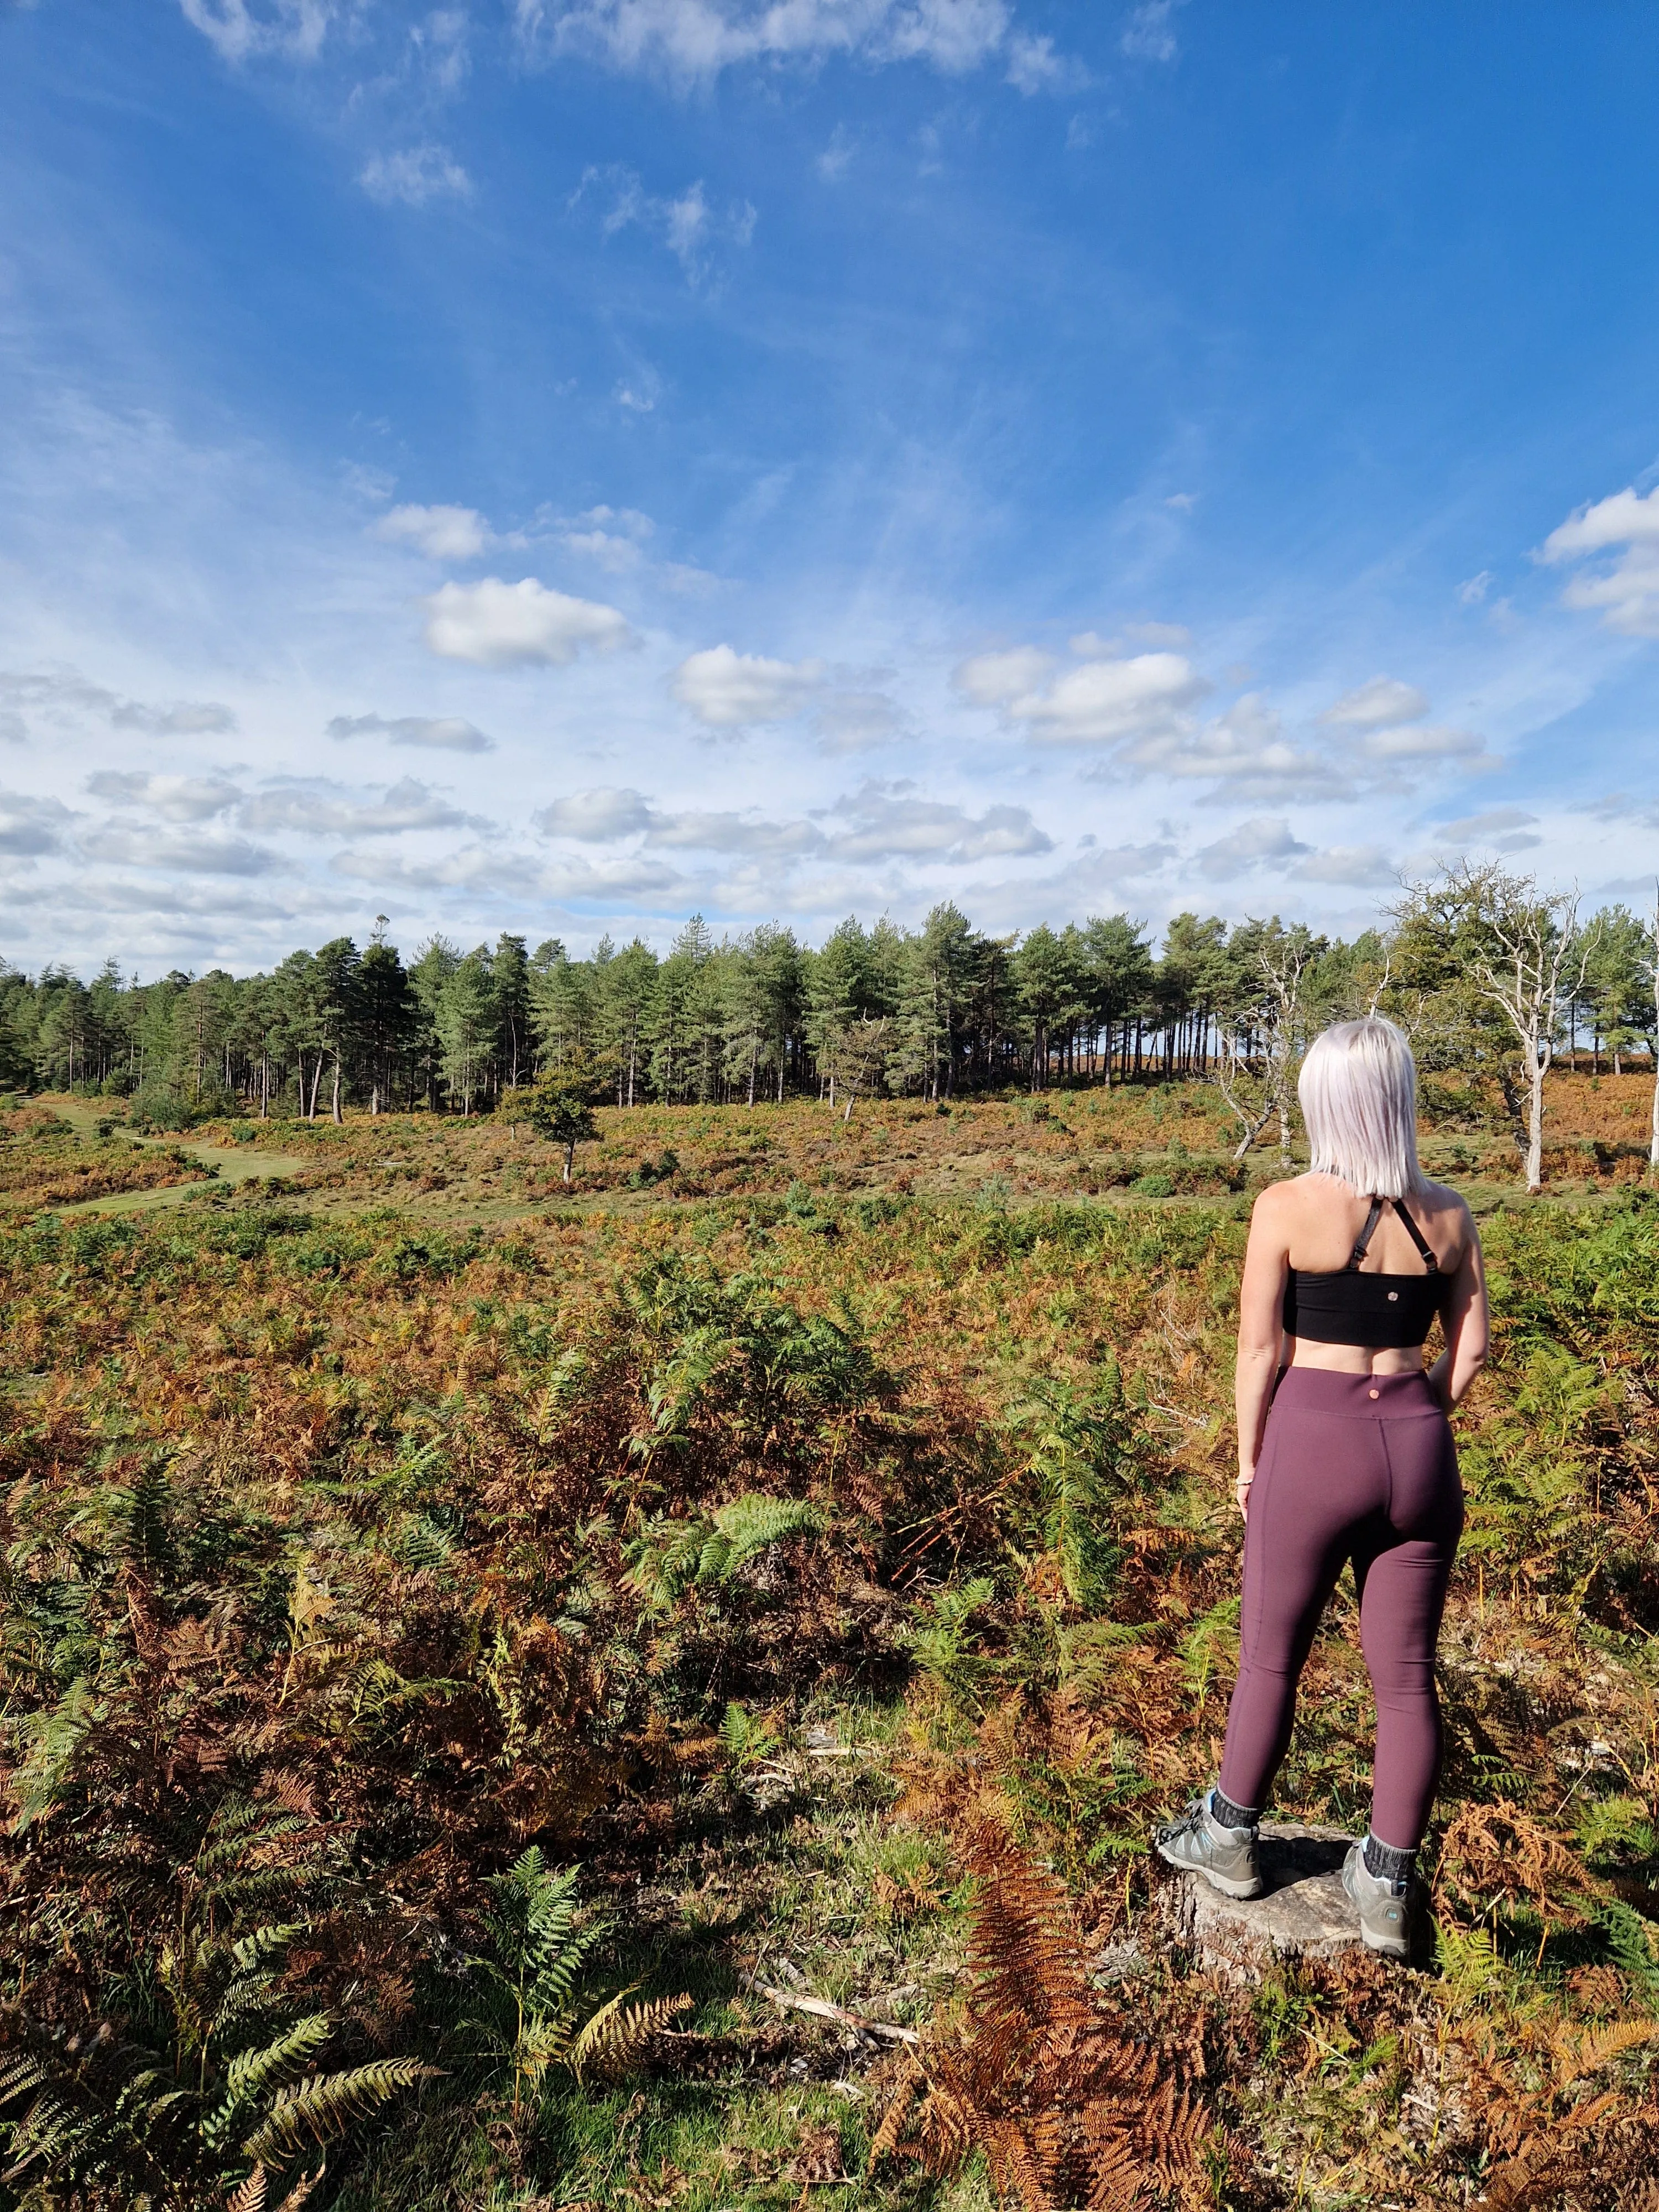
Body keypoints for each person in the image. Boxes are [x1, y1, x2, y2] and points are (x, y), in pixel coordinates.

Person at [1155, 1015, 1489, 1957]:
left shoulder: (1287, 1204)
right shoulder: (1450, 1213)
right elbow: (1473, 1351)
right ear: (1400, 1099)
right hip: (1419, 1449)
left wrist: (1250, 1460)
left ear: (1324, 1101)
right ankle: (1386, 1883)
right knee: (1407, 1679)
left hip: (1313, 1437)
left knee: (1270, 1659)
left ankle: (1227, 1835)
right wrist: (1414, 1416)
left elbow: (1260, 1348)